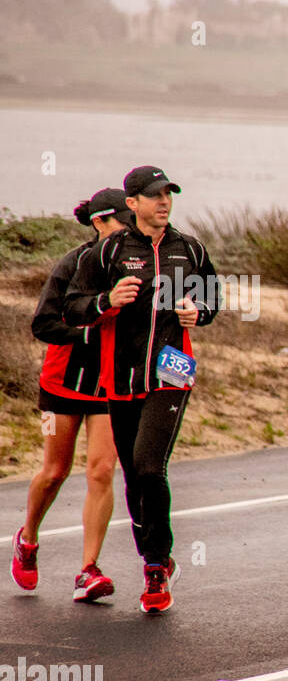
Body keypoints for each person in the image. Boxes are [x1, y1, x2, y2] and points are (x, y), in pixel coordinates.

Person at [65, 166, 221, 613]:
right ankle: (156, 555)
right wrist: (106, 301)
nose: (164, 202)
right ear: (131, 203)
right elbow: (73, 307)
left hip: (172, 372)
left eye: (168, 194)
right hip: (121, 375)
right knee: (133, 473)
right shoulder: (110, 250)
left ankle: (154, 568)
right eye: (154, 195)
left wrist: (199, 310)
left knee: (150, 466)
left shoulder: (189, 248)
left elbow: (213, 296)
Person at [10, 189, 129, 601]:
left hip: (108, 387)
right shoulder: (74, 264)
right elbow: (41, 325)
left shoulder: (138, 266)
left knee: (101, 471)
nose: (130, 229)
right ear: (100, 223)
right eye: (122, 221)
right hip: (58, 387)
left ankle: (88, 570)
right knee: (54, 471)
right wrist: (87, 334)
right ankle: (27, 538)